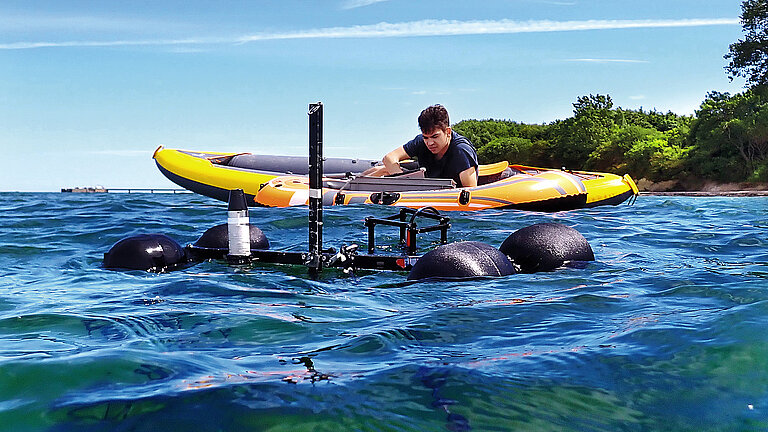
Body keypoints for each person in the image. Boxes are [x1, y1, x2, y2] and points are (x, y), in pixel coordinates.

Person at [365, 105, 479, 187]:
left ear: (448, 132)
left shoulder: (462, 151)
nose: (430, 143)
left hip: (447, 193)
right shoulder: (420, 141)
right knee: (381, 169)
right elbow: (389, 158)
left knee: (385, 170)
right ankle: (351, 184)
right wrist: (406, 184)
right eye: (426, 137)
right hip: (425, 179)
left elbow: (470, 192)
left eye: (435, 136)